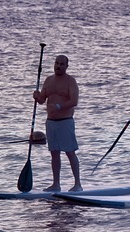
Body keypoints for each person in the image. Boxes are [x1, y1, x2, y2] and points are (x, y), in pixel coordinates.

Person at [33, 54, 82, 192]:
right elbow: (42, 99)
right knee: (54, 153)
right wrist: (37, 97)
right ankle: (56, 184)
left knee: (70, 152)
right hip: (51, 122)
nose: (58, 66)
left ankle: (78, 184)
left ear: (66, 66)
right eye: (57, 63)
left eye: (62, 64)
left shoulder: (70, 81)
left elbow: (74, 101)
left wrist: (60, 107)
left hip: (65, 122)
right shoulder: (48, 80)